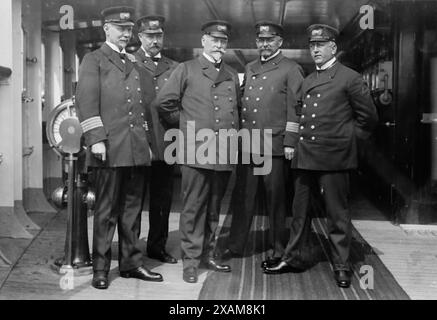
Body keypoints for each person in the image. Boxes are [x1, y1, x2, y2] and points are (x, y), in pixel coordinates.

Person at [263, 24, 378, 289]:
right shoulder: (309, 80)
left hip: (334, 158)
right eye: (312, 46)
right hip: (306, 157)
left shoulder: (349, 78)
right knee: (299, 211)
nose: (315, 50)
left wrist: (346, 142)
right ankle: (292, 257)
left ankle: (341, 266)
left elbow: (369, 119)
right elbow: (302, 114)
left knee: (337, 214)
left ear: (333, 48)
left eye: (320, 45)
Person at [75, 6, 163, 290]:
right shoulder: (94, 60)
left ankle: (131, 263)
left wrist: (148, 146)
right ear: (107, 29)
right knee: (106, 212)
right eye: (120, 28)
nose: (126, 34)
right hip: (109, 148)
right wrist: (96, 139)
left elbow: (143, 109)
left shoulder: (135, 64)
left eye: (128, 29)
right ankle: (100, 268)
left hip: (135, 149)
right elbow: (85, 102)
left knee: (132, 211)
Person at [156, 20, 240, 283]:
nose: (218, 45)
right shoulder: (187, 69)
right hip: (196, 151)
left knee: (215, 208)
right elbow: (163, 102)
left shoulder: (231, 74)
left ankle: (209, 254)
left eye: (223, 41)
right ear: (203, 41)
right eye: (214, 40)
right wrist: (185, 126)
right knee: (193, 208)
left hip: (223, 151)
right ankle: (190, 262)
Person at [222, 21, 304, 268]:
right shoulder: (250, 67)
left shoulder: (291, 69)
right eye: (261, 40)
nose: (264, 44)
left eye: (270, 40)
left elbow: (296, 109)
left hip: (273, 145)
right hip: (249, 144)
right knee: (242, 198)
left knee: (275, 200)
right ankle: (236, 244)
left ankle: (279, 248)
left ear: (280, 42)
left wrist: (290, 141)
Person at [135, 15, 179, 264]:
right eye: (150, 36)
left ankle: (157, 247)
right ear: (140, 37)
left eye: (158, 36)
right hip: (138, 142)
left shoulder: (174, 67)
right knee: (133, 200)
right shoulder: (129, 62)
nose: (155, 40)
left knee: (162, 199)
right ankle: (130, 250)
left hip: (164, 142)